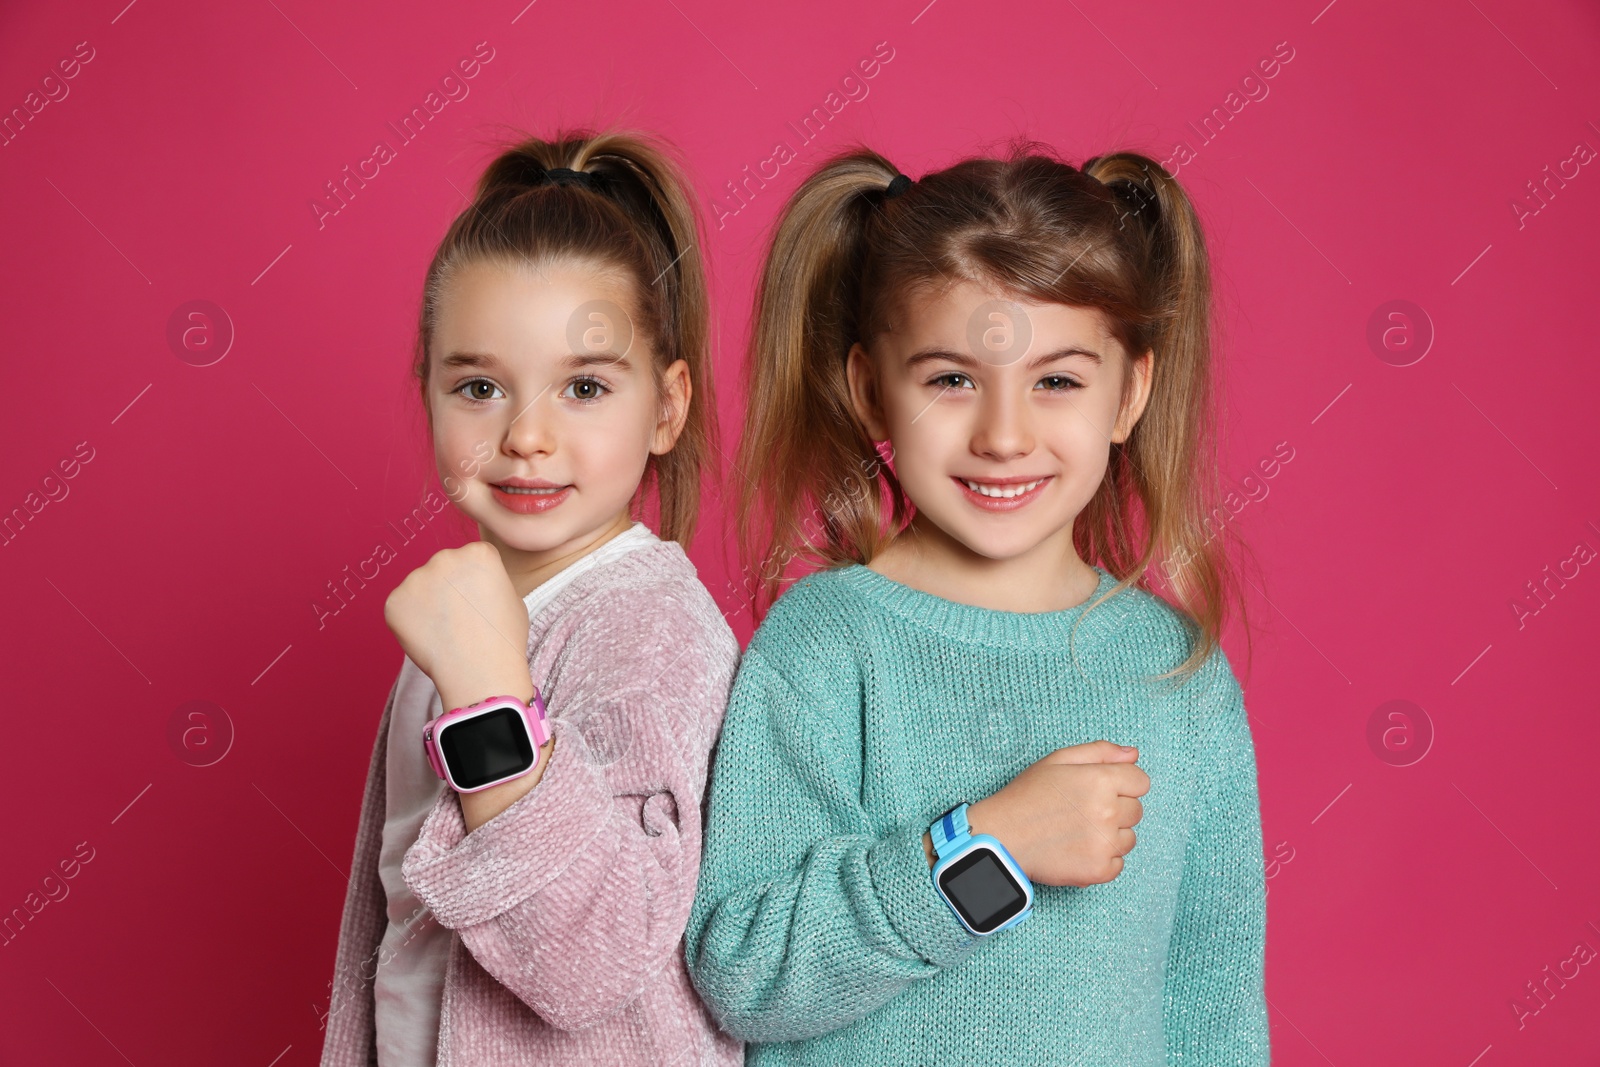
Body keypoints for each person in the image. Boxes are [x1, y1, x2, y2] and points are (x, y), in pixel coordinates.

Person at [684, 142, 1270, 1066]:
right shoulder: (828, 644)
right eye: (951, 379)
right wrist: (980, 850)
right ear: (872, 390)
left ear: (1131, 394)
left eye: (1058, 381)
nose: (1004, 435)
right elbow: (746, 971)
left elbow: (1216, 1009)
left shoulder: (1179, 674)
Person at [318, 128, 744, 1067]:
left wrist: (488, 696)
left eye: (584, 387)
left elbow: (592, 961)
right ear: (426, 392)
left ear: (666, 408)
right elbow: (394, 937)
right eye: (479, 386)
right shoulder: (462, 618)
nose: (527, 437)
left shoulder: (651, 628)